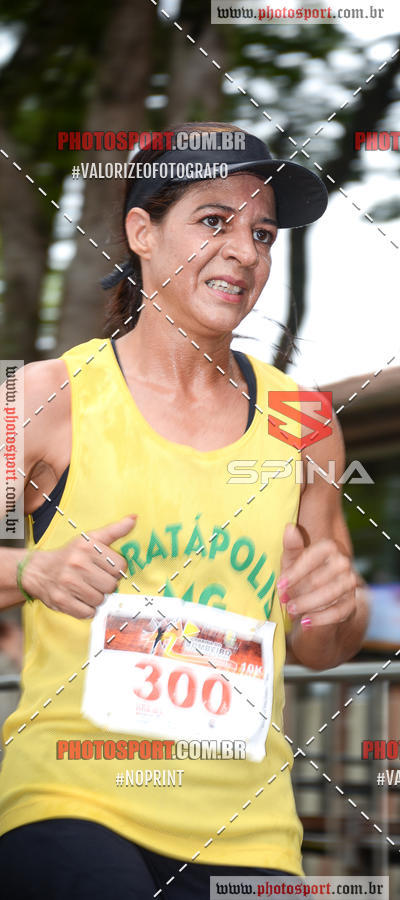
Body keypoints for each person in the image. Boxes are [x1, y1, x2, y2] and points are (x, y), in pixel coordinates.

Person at [0, 122, 369, 899]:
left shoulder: (306, 420)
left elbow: (324, 646)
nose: (246, 251)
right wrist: (35, 568)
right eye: (214, 221)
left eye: (262, 233)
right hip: (73, 798)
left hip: (248, 822)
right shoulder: (40, 398)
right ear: (141, 232)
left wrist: (337, 605)